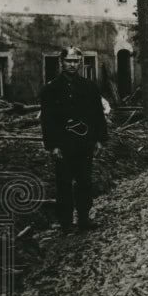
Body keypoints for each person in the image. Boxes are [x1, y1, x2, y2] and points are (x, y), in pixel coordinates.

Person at [40, 46, 108, 231]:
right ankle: (66, 222)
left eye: (76, 61)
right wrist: (52, 146)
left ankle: (84, 218)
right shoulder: (51, 89)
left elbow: (97, 116)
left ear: (80, 63)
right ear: (61, 62)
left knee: (84, 180)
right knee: (64, 182)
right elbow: (47, 120)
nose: (72, 65)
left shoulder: (89, 87)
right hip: (63, 145)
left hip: (84, 143)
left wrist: (100, 139)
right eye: (68, 61)